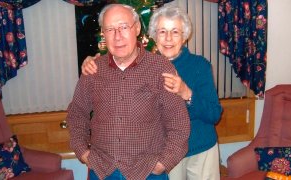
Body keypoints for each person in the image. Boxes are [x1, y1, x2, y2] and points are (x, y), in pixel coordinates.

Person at [82, 4, 223, 180]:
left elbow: (214, 114)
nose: (168, 38)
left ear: (185, 36)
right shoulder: (145, 64)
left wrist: (186, 93)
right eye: (162, 31)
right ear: (154, 35)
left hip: (199, 149)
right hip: (166, 152)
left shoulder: (199, 65)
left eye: (175, 32)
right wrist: (91, 61)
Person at [66, 4, 191, 180]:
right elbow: (77, 112)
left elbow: (178, 121)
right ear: (103, 33)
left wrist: (163, 163)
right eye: (110, 29)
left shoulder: (160, 68)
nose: (118, 36)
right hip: (102, 170)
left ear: (137, 28)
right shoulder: (93, 70)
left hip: (147, 171)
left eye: (124, 27)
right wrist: (82, 152)